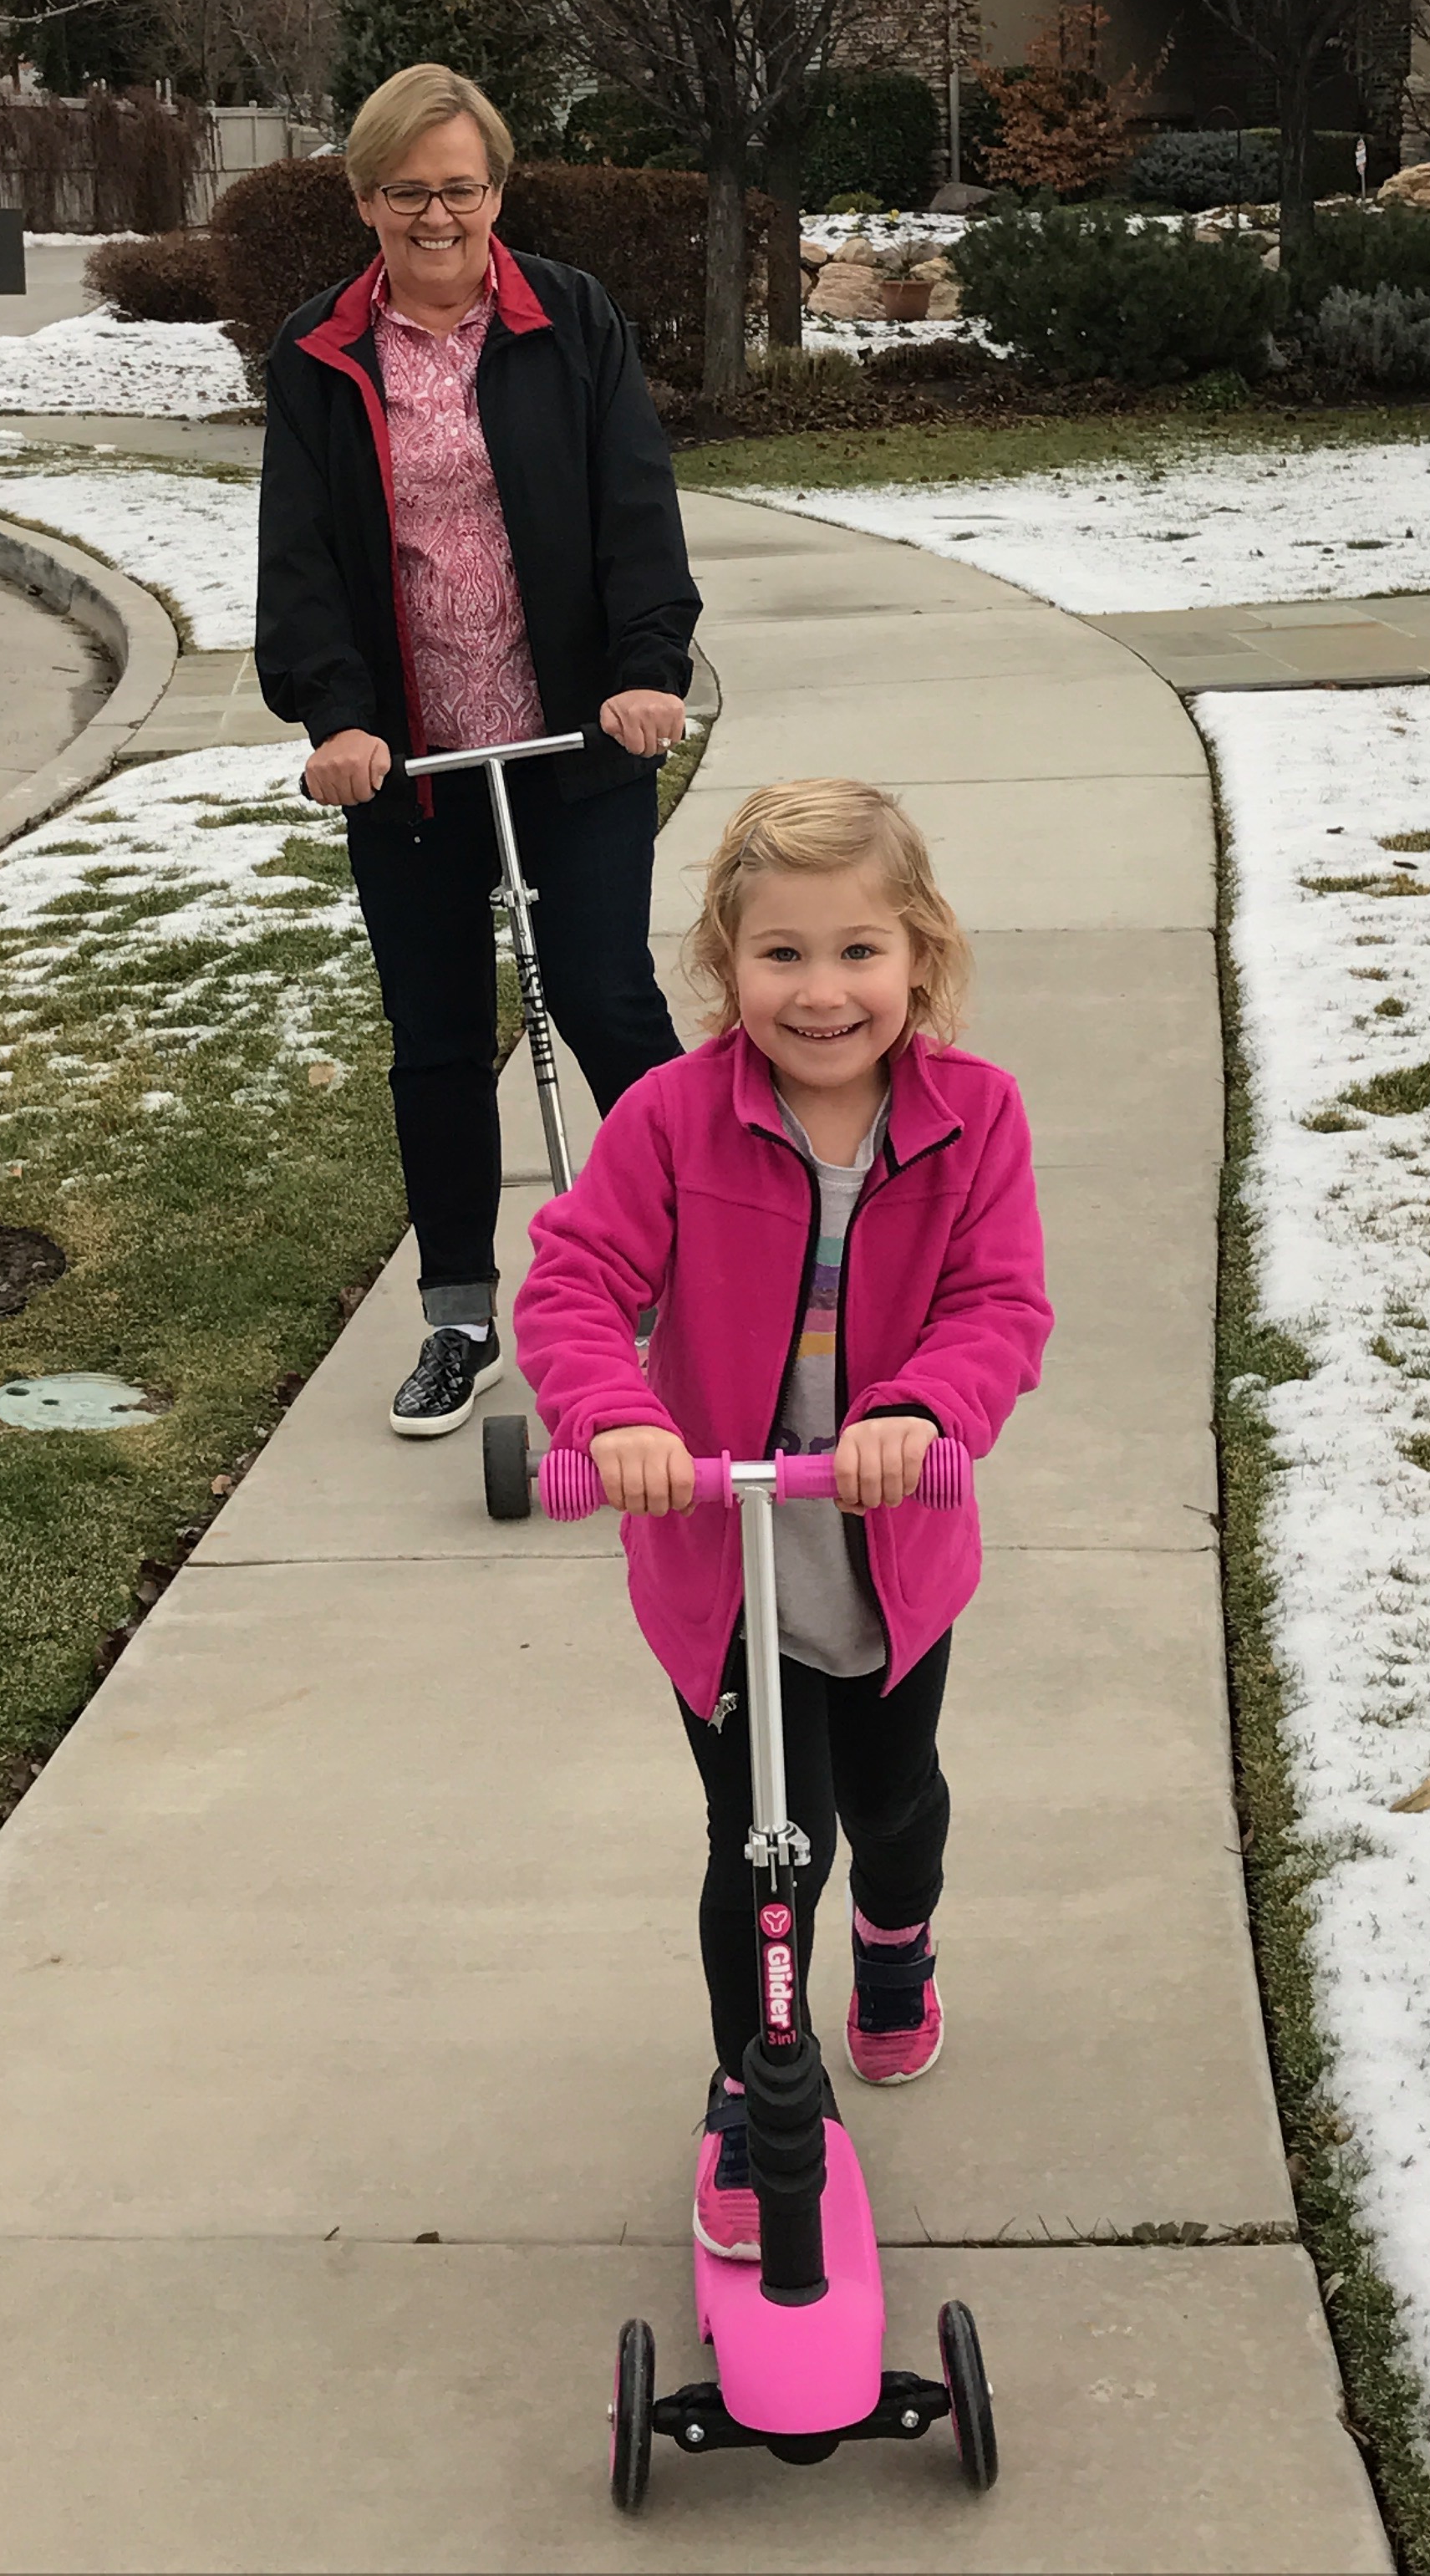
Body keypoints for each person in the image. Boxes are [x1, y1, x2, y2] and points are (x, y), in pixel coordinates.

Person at [513, 778, 1051, 2258]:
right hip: (727, 1559)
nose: (822, 993)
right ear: (725, 962)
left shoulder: (975, 1117)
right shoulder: (670, 1120)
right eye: (783, 955)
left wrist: (925, 1411)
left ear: (921, 954)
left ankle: (897, 1942)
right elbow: (574, 1282)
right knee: (768, 1842)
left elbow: (1000, 1304)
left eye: (859, 951)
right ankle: (756, 2092)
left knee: (890, 1805)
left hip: (890, 1553)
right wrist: (616, 1417)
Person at [256, 63, 701, 1438]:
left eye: (459, 188)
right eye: (407, 192)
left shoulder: (569, 318)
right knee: (439, 1040)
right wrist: (335, 718)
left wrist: (646, 672)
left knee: (605, 999)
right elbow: (302, 556)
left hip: (577, 735)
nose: (436, 215)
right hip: (412, 765)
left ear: (497, 192)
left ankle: (695, 1272)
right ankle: (460, 1317)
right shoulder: (321, 349)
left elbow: (635, 505)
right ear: (364, 199)